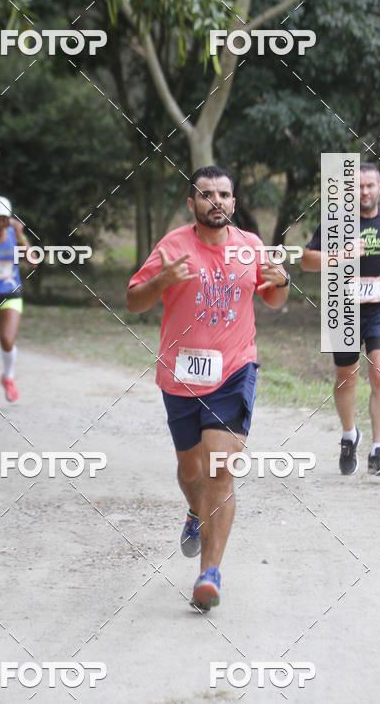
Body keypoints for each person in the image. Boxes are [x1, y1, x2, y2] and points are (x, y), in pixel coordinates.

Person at [126, 166, 289, 610]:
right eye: (206, 194)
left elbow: (274, 299)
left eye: (223, 194)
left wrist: (282, 283)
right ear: (191, 202)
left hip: (234, 371)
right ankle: (195, 512)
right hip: (180, 376)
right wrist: (162, 281)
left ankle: (209, 574)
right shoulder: (173, 247)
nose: (215, 201)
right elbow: (133, 300)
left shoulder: (250, 247)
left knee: (219, 470)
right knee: (190, 472)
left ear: (233, 203)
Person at [300, 162, 380, 476]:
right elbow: (307, 261)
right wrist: (342, 255)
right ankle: (350, 435)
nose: (364, 191)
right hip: (343, 308)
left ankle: (379, 451)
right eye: (358, 186)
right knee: (346, 376)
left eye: (369, 185)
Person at [0, 196, 34, 408]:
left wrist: (20, 236)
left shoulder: (14, 235)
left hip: (10, 294)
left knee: (6, 339)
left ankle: (8, 377)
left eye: (5, 219)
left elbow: (32, 262)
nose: (1, 224)